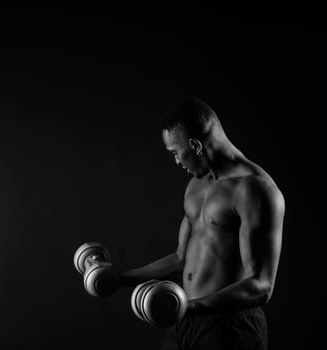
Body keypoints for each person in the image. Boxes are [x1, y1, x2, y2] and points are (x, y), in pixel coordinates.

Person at [119, 97, 285, 349]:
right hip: (186, 321)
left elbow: (261, 286)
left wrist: (187, 306)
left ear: (196, 145)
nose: (176, 162)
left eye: (176, 152)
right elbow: (180, 258)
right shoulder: (196, 185)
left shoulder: (255, 190)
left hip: (230, 328)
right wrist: (120, 278)